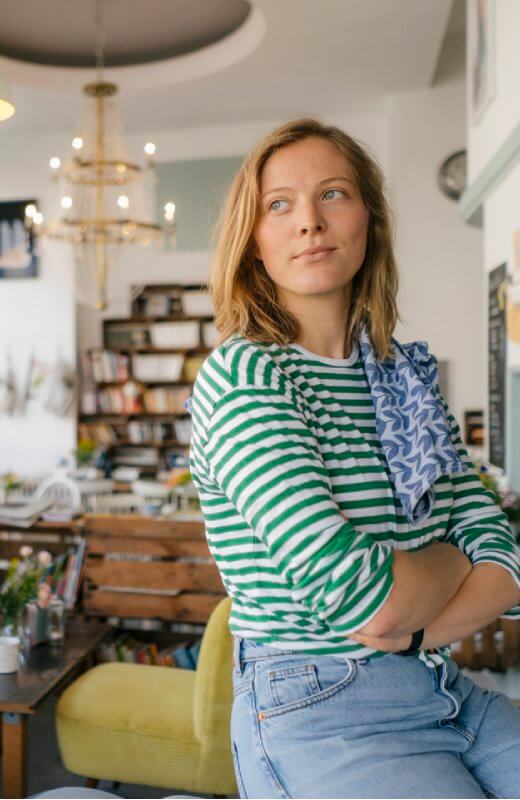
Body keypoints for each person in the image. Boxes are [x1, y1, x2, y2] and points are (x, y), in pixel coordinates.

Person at [187, 118, 520, 799]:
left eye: (332, 194)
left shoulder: (403, 377)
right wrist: (454, 555)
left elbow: (506, 559)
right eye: (279, 204)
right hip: (319, 702)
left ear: (369, 218)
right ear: (254, 241)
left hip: (438, 679)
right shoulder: (248, 377)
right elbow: (363, 599)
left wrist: (416, 620)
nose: (309, 221)